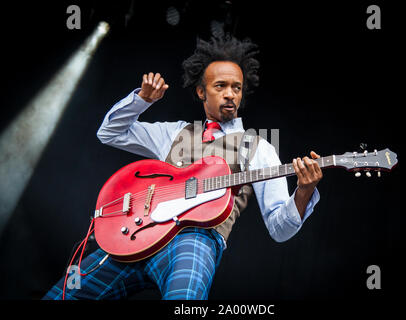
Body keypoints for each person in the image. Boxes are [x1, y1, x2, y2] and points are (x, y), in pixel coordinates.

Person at [42, 35, 322, 300]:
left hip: (194, 239)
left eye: (236, 87)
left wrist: (304, 192)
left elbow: (279, 229)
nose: (230, 95)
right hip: (136, 234)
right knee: (65, 294)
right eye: (220, 86)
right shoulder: (174, 132)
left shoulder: (259, 147)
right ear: (201, 91)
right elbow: (109, 133)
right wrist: (142, 100)